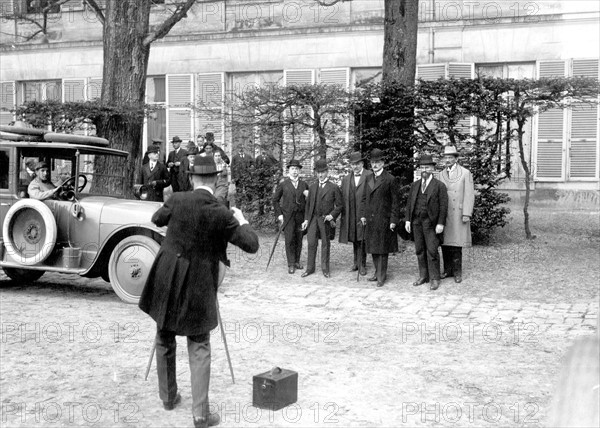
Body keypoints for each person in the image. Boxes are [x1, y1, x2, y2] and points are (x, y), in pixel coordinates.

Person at [139, 155, 259, 428]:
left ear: (192, 178)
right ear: (215, 179)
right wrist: (241, 220)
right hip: (199, 282)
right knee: (200, 344)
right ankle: (200, 414)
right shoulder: (222, 213)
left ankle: (168, 398)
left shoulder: (178, 199)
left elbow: (157, 218)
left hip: (168, 276)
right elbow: (252, 245)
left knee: (164, 334)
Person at [405, 154, 448, 291]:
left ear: (432, 169)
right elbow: (409, 204)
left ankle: (435, 278)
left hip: (431, 223)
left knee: (432, 250)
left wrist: (440, 223)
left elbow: (443, 206)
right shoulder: (415, 185)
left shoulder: (439, 186)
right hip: (416, 222)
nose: (424, 169)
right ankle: (424, 276)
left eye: (427, 167)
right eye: (422, 167)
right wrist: (407, 220)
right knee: (419, 250)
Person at [360, 149, 400, 287]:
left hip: (384, 219)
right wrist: (363, 215)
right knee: (373, 247)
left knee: (382, 249)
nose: (375, 165)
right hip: (370, 219)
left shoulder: (390, 179)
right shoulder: (368, 178)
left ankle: (381, 276)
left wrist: (393, 220)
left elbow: (396, 202)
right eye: (372, 162)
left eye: (377, 162)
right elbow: (364, 199)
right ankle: (377, 273)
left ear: (383, 163)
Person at [437, 145, 475, 283]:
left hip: (458, 214)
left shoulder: (465, 173)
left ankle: (457, 272)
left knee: (456, 245)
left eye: (450, 157)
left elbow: (469, 195)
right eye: (446, 157)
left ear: (456, 159)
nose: (447, 160)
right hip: (445, 214)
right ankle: (447, 270)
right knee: (445, 243)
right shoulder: (440, 174)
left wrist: (467, 213)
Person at [301, 159, 343, 278]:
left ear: (327, 172)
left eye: (323, 172)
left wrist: (332, 215)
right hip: (313, 218)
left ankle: (325, 269)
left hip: (325, 219)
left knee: (325, 243)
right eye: (318, 172)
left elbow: (340, 205)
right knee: (311, 243)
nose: (320, 174)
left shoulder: (333, 187)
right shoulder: (313, 187)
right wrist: (306, 220)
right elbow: (308, 206)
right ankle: (310, 268)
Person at [272, 159, 309, 274]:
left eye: (297, 169)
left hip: (300, 217)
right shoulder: (283, 184)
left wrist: (308, 197)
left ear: (299, 171)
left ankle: (297, 261)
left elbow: (308, 202)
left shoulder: (304, 184)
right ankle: (291, 264)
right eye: (292, 169)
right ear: (288, 170)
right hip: (287, 218)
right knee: (289, 240)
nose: (295, 171)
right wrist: (279, 215)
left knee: (299, 239)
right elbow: (275, 200)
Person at [339, 151, 372, 276]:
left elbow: (372, 196)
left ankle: (362, 264)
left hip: (363, 213)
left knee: (362, 238)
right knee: (354, 238)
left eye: (357, 164)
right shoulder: (346, 179)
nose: (355, 166)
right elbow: (343, 197)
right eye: (353, 164)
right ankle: (355, 263)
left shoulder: (370, 175)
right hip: (350, 213)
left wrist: (367, 213)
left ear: (362, 163)